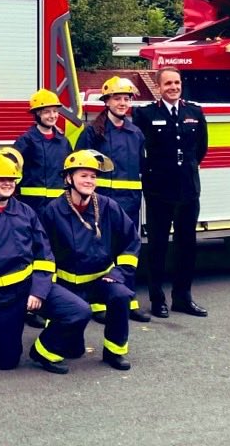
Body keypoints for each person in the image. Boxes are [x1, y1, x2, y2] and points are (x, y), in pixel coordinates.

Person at [0, 153, 91, 374]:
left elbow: (44, 255)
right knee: (5, 361)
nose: (7, 183)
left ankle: (44, 350)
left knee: (79, 311)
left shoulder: (26, 212)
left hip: (29, 288)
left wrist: (38, 291)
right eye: (1, 179)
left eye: (11, 179)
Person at [41, 150, 141, 370]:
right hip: (66, 285)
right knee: (73, 351)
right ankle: (48, 346)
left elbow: (131, 241)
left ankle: (114, 352)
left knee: (121, 295)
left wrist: (118, 273)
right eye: (83, 175)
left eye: (93, 176)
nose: (89, 181)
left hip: (100, 280)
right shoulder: (53, 211)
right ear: (69, 178)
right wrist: (47, 285)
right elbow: (42, 251)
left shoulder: (108, 206)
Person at [132, 68, 209, 318]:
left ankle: (183, 298)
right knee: (157, 246)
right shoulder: (145, 114)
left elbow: (201, 149)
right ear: (159, 87)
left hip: (188, 190)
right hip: (159, 191)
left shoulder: (194, 112)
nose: (173, 87)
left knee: (187, 246)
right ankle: (157, 299)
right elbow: (139, 148)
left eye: (177, 82)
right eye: (168, 83)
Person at [75, 76, 150, 323]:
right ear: (106, 101)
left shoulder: (136, 133)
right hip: (102, 202)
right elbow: (78, 169)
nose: (122, 102)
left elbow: (141, 166)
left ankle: (128, 299)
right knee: (100, 252)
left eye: (126, 98)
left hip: (129, 202)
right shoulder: (92, 133)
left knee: (127, 251)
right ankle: (98, 302)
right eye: (117, 98)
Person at [14, 88, 73, 215]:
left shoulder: (64, 142)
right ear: (37, 114)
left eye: (55, 111)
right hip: (31, 206)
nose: (52, 116)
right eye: (47, 112)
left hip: (59, 207)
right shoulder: (26, 141)